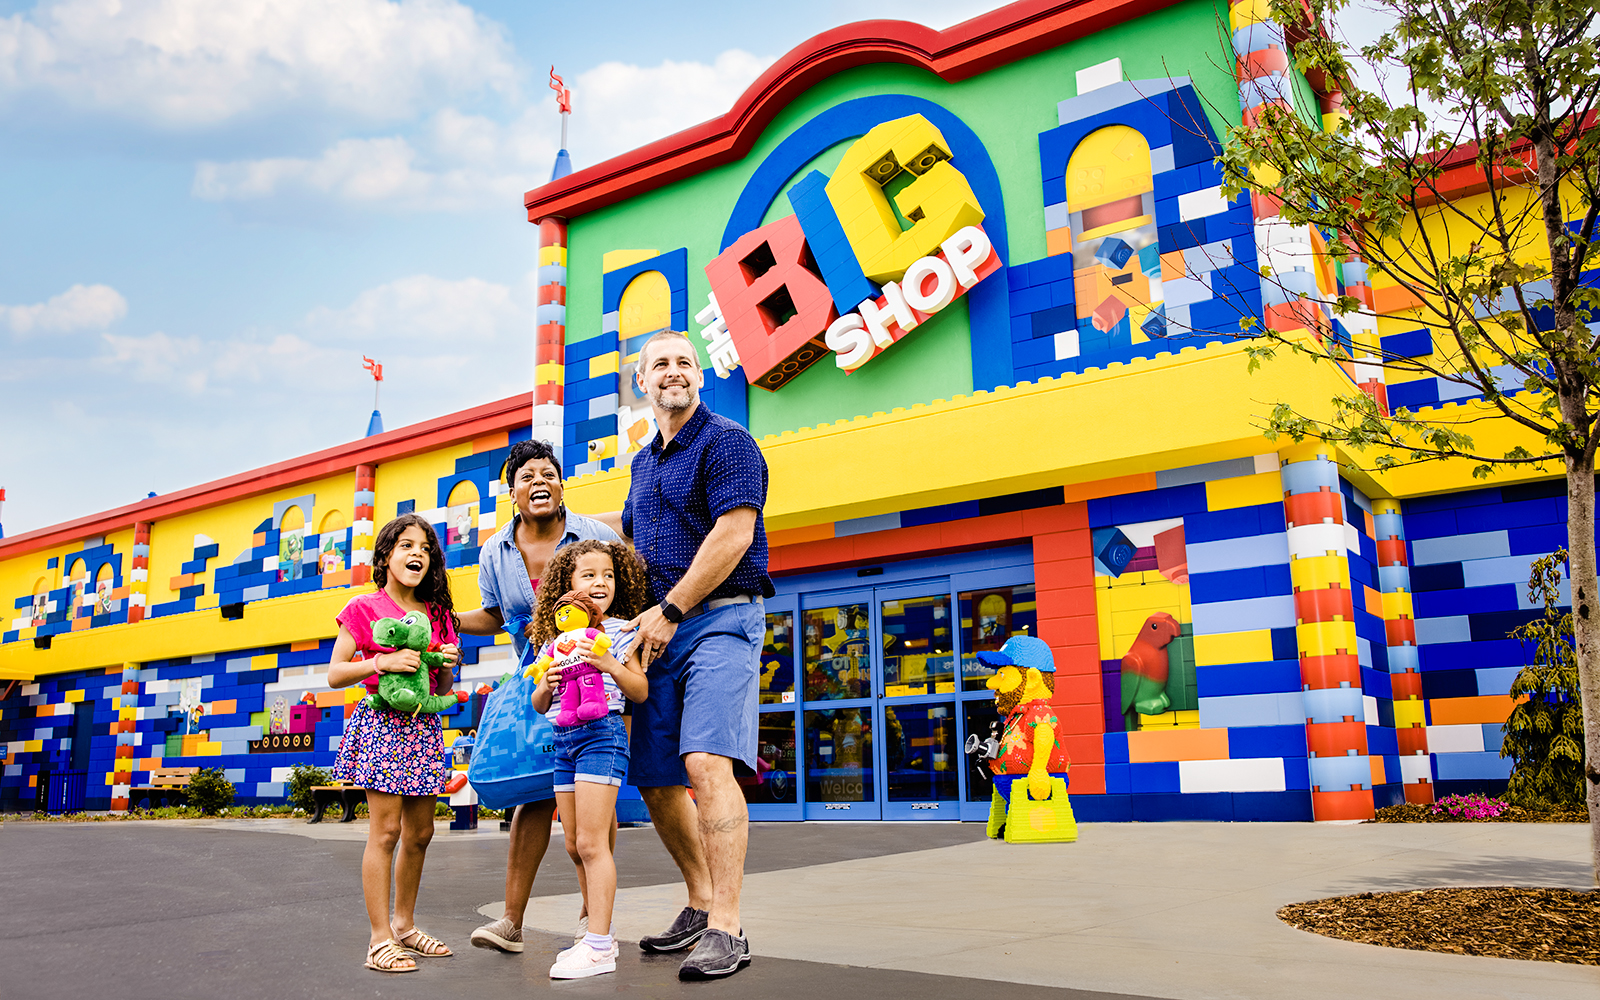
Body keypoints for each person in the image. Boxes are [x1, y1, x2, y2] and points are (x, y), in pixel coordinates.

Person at [620, 329, 773, 981]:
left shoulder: (727, 442)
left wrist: (672, 608)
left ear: (700, 377)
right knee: (655, 778)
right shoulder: (641, 465)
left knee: (707, 762)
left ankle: (728, 929)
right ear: (642, 383)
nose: (674, 371)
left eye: (685, 361)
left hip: (719, 621)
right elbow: (627, 543)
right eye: (661, 364)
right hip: (658, 633)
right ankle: (700, 900)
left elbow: (735, 532)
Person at [456, 439, 620, 954]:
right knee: (531, 795)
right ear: (512, 493)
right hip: (539, 684)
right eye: (526, 476)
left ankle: (593, 920)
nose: (538, 482)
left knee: (594, 797)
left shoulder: (595, 535)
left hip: (595, 680)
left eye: (547, 473)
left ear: (562, 484)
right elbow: (490, 613)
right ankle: (511, 922)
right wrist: (446, 620)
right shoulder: (494, 550)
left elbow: (625, 589)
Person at [326, 514, 462, 974]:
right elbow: (336, 672)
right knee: (385, 833)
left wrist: (447, 663)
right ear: (385, 556)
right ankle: (379, 938)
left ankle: (404, 925)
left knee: (421, 834)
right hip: (383, 725)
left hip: (423, 727)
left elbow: (440, 684)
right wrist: (380, 661)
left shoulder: (438, 613)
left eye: (425, 548)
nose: (417, 554)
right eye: (406, 545)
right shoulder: (364, 607)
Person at [525, 540, 651, 978]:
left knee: (594, 843)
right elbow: (540, 703)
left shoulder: (620, 632)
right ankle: (597, 934)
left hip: (603, 736)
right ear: (567, 585)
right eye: (589, 575)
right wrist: (549, 682)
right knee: (575, 845)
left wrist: (609, 664)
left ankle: (598, 945)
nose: (601, 582)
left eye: (609, 575)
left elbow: (638, 691)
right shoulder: (554, 639)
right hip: (564, 740)